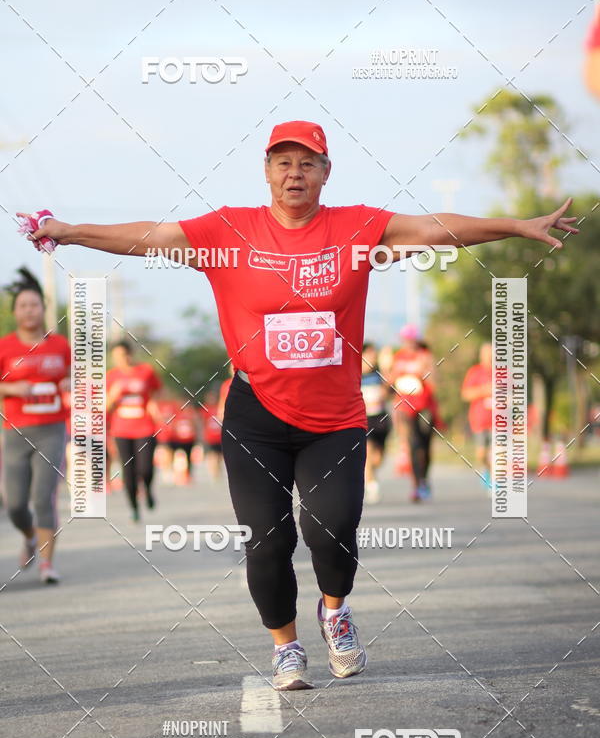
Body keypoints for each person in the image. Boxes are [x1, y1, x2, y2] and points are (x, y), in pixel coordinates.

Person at [21, 119, 578, 689]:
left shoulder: (357, 227)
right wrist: (69, 232)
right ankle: (285, 647)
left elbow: (438, 229)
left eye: (307, 162)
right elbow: (145, 237)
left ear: (325, 172)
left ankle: (334, 610)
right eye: (283, 162)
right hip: (254, 416)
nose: (295, 173)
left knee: (332, 529)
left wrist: (515, 225)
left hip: (334, 418)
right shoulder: (227, 232)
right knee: (267, 540)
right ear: (266, 172)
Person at [0, 267, 69, 583]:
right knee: (15, 505)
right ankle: (29, 536)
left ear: (44, 308)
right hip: (15, 431)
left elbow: (78, 380)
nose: (29, 310)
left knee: (43, 497)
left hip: (52, 430)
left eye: (35, 304)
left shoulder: (60, 346)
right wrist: (11, 388)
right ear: (15, 312)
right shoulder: (5, 347)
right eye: (23, 305)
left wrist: (70, 383)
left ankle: (48, 564)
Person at [106, 340, 161, 521]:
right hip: (122, 430)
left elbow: (155, 393)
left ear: (130, 354)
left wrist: (155, 409)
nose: (121, 359)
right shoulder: (111, 377)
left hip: (145, 427)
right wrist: (113, 397)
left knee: (145, 468)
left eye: (123, 355)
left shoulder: (145, 371)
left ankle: (147, 488)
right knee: (128, 470)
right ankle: (134, 507)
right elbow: (104, 407)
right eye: (116, 357)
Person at [387, 325, 440, 502]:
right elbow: (390, 381)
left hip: (425, 406)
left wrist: (425, 371)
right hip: (405, 407)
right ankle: (417, 485)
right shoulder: (398, 357)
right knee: (413, 445)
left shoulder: (425, 356)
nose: (408, 342)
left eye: (411, 339)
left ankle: (424, 479)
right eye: (405, 339)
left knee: (425, 446)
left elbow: (434, 383)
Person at [361, 342, 391, 504]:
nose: (372, 358)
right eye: (369, 355)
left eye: (374, 355)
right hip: (364, 419)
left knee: (378, 458)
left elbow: (389, 394)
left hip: (381, 419)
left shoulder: (379, 375)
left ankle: (372, 475)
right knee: (369, 452)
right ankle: (371, 485)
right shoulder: (355, 375)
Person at [461, 342, 493, 489]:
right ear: (481, 356)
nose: (489, 357)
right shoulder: (475, 372)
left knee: (497, 454)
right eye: (486, 354)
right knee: (481, 454)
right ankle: (487, 470)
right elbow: (465, 394)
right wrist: (484, 391)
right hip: (479, 420)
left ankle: (495, 481)